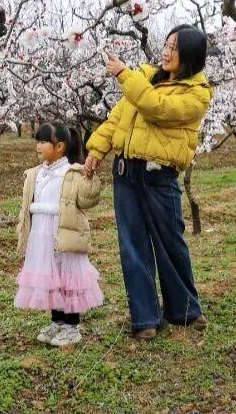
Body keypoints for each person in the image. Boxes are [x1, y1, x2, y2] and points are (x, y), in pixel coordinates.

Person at [84, 24, 212, 341]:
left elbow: (158, 109)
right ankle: (145, 319)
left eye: (175, 48)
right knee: (132, 246)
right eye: (166, 44)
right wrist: (96, 149)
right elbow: (118, 118)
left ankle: (185, 310)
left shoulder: (196, 94)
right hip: (126, 172)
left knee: (170, 245)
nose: (166, 52)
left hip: (159, 175)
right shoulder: (147, 78)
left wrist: (126, 75)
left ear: (191, 56)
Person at [14, 122, 104, 347]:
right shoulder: (36, 173)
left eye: (44, 141)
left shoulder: (71, 172)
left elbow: (86, 200)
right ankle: (56, 321)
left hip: (63, 231)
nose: (38, 146)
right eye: (38, 141)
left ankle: (71, 325)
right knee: (51, 277)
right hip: (41, 234)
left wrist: (89, 179)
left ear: (60, 146)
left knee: (67, 277)